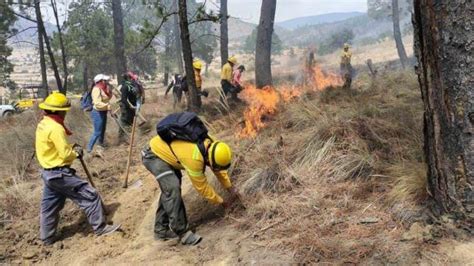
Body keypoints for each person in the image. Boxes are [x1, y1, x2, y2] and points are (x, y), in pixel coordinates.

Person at [141, 113, 241, 245]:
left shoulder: (212, 143)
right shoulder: (194, 158)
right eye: (213, 166)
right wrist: (222, 202)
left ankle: (160, 230)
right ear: (209, 160)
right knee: (172, 188)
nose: (214, 168)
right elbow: (202, 188)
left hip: (169, 153)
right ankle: (183, 233)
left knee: (170, 190)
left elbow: (219, 171)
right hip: (153, 156)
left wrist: (230, 189)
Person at [36, 92, 120, 245]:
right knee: (90, 196)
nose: (65, 113)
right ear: (59, 111)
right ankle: (100, 228)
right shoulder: (55, 127)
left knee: (49, 207)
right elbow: (64, 154)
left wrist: (69, 147)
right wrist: (75, 152)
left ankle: (47, 238)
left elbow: (53, 147)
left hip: (48, 173)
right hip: (60, 173)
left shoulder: (43, 123)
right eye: (64, 111)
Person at [87, 74, 112, 153]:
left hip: (103, 111)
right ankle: (89, 149)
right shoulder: (96, 89)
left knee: (102, 130)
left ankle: (100, 145)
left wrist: (109, 92)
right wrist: (107, 106)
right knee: (97, 132)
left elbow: (106, 99)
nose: (107, 82)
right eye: (105, 81)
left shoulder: (103, 89)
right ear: (100, 81)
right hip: (97, 112)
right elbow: (97, 103)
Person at [118, 71, 144, 142]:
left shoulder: (131, 85)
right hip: (126, 108)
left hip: (132, 107)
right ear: (128, 78)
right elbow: (123, 99)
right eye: (131, 77)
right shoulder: (125, 86)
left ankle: (126, 138)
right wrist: (130, 106)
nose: (132, 79)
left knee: (130, 122)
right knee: (125, 122)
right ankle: (123, 139)